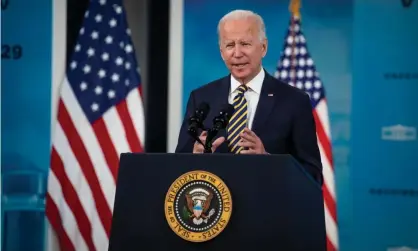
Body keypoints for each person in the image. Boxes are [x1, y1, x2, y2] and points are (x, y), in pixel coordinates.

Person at [175, 9, 323, 184]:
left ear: (264, 47)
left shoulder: (294, 101)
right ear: (222, 51)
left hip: (268, 207)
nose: (237, 53)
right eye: (230, 45)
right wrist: (195, 155)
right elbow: (178, 164)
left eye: (245, 44)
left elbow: (313, 175)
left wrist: (268, 161)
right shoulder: (201, 98)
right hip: (214, 206)